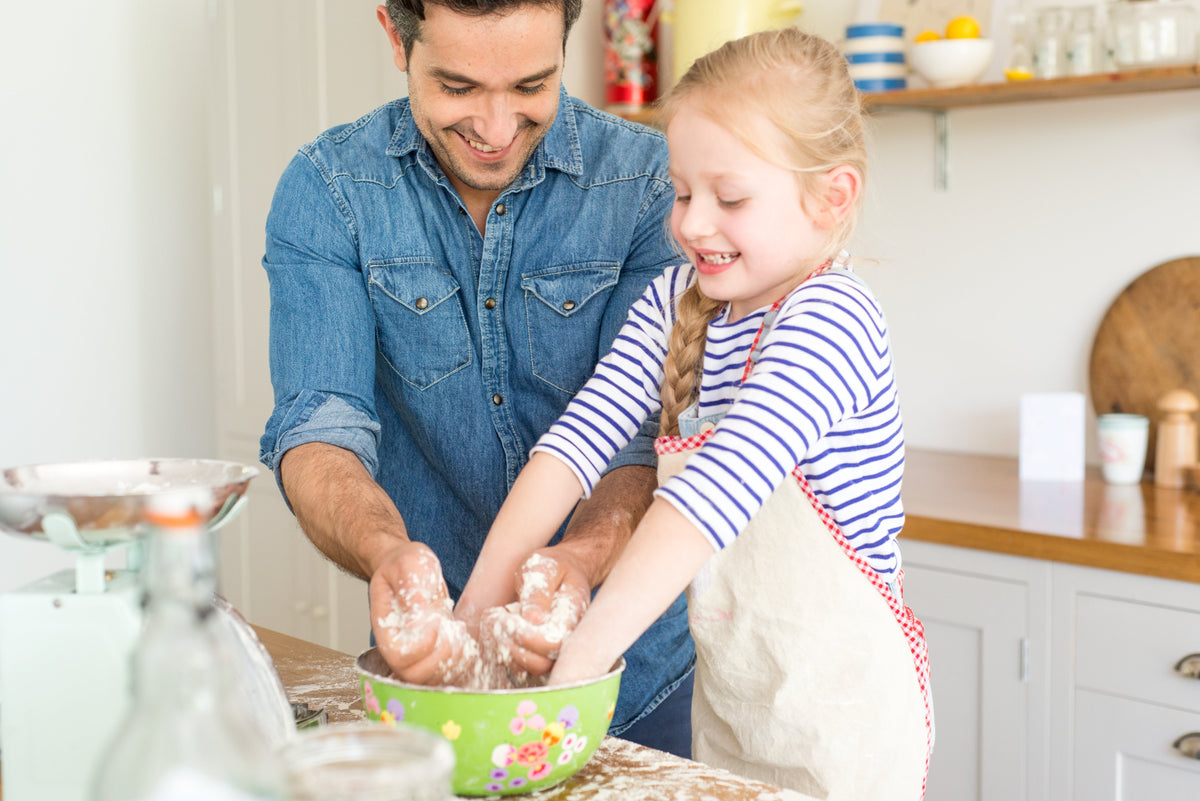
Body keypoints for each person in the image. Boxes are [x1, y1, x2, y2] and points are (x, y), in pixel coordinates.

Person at [459, 27, 933, 799]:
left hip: (847, 734)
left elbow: (709, 497)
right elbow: (573, 446)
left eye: (731, 197)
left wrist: (571, 675)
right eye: (682, 192)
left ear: (832, 195)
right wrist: (474, 616)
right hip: (734, 719)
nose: (694, 223)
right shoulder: (675, 303)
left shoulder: (833, 318)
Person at [258, 0, 695, 757]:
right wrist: (388, 552)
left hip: (637, 674)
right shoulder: (329, 192)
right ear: (397, 38)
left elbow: (641, 437)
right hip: (431, 682)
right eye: (458, 88)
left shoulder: (652, 185)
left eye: (531, 85)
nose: (496, 129)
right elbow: (318, 426)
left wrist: (584, 559)